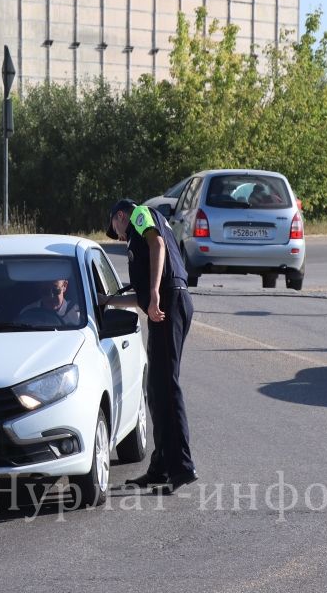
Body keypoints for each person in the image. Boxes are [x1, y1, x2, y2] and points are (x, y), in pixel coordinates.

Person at [103, 198, 198, 494]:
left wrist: (155, 293)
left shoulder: (142, 215)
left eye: (115, 229)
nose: (118, 236)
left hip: (170, 300)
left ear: (121, 215)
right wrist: (106, 301)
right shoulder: (138, 234)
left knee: (166, 387)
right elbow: (140, 296)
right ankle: (160, 466)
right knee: (156, 391)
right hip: (167, 300)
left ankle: (181, 467)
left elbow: (157, 246)